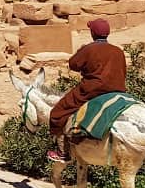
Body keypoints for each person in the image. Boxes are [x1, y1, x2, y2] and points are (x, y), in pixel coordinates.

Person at [47, 19, 127, 163]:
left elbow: (73, 64)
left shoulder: (89, 49)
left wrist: (82, 52)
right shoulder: (118, 51)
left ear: (92, 33)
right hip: (118, 90)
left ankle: (62, 152)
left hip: (92, 89)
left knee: (58, 112)